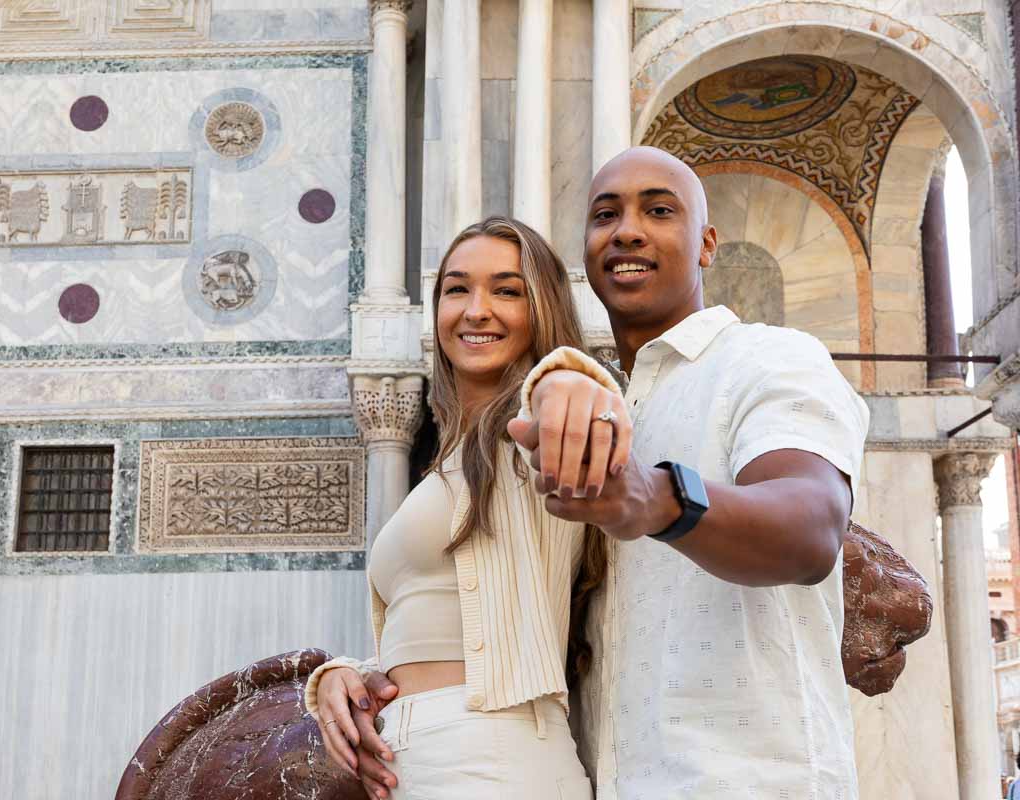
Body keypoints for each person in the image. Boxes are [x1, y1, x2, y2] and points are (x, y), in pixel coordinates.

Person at [328, 146, 870, 799]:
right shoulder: (615, 401)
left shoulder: (764, 360)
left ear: (707, 243)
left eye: (659, 210)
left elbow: (811, 531)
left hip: (747, 780)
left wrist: (657, 497)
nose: (628, 229)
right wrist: (353, 675)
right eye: (605, 214)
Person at [305, 216, 630, 799]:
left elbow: (579, 394)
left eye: (506, 291)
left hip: (491, 754)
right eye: (457, 289)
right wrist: (347, 676)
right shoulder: (449, 460)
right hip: (413, 757)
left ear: (543, 310)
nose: (476, 310)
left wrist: (563, 377)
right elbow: (435, 626)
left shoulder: (533, 438)